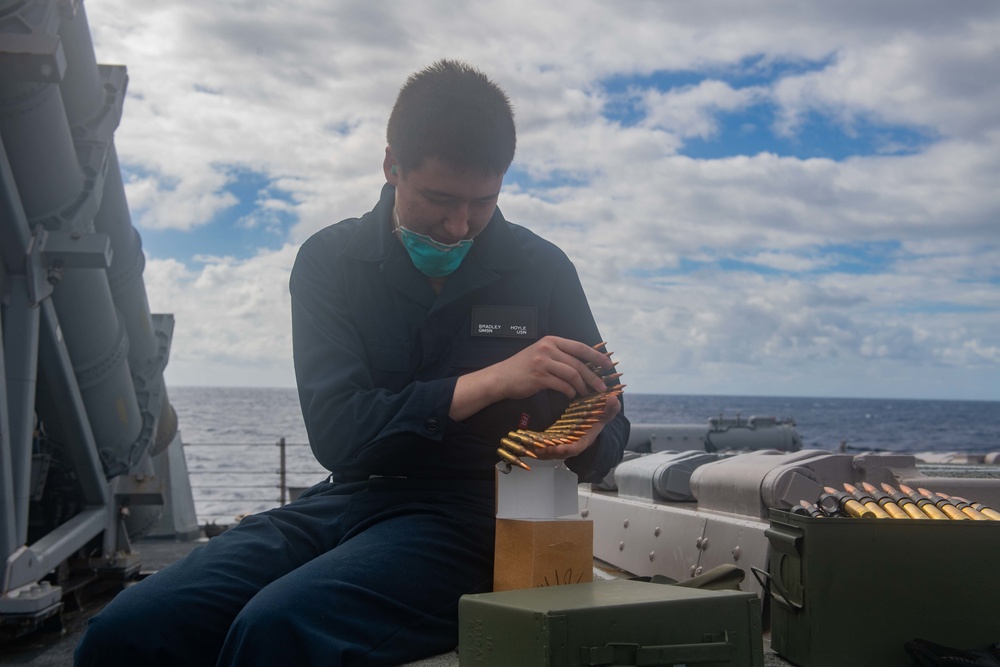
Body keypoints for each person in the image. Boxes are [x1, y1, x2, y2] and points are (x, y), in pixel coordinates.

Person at [75, 59, 629, 667]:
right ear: (392, 166)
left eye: (483, 202)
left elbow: (607, 420)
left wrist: (584, 444)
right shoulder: (329, 262)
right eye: (440, 199)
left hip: (475, 516)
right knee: (124, 633)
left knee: (279, 631)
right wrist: (489, 382)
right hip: (344, 499)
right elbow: (339, 435)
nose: (460, 224)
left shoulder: (542, 268)